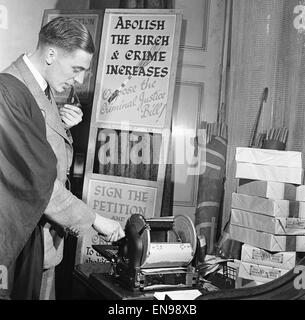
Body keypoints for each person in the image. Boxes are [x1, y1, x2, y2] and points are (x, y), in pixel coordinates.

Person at [1, 16, 125, 300]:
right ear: (52, 53)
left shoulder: (39, 90)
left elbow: (39, 151)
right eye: (77, 68)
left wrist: (61, 127)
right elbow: (38, 181)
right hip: (22, 247)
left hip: (43, 243)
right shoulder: (9, 92)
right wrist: (94, 220)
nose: (79, 80)